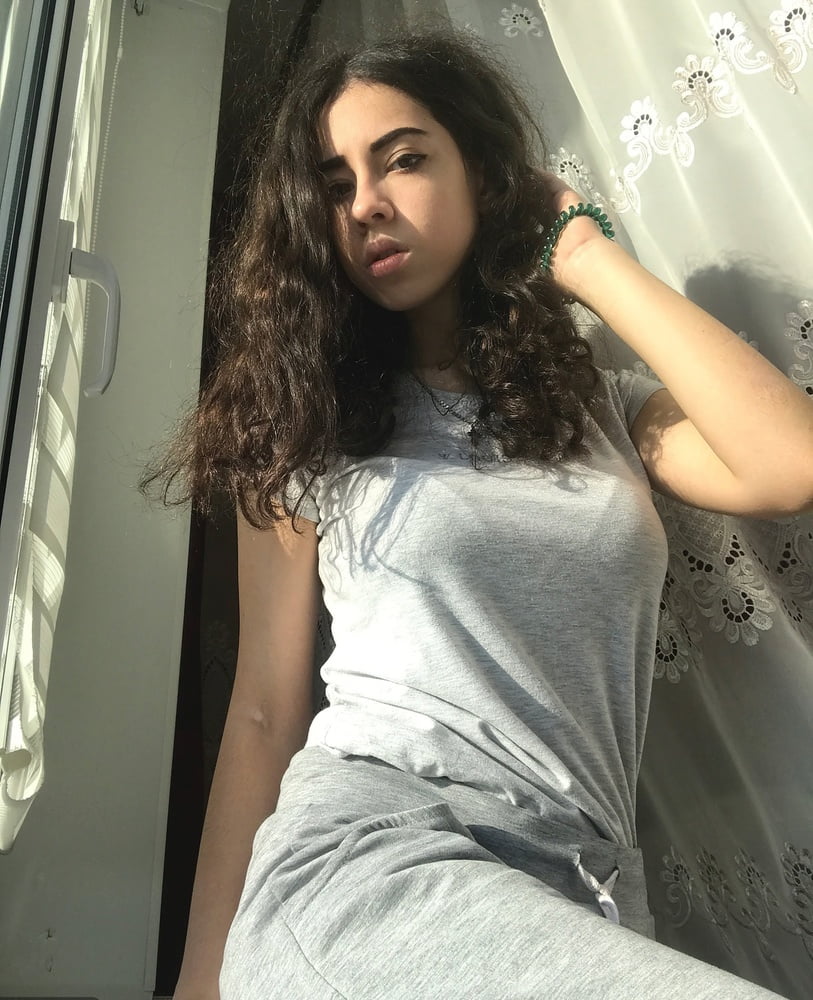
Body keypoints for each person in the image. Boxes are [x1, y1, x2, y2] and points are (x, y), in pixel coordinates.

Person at [152, 23, 813, 1000]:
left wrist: (580, 251)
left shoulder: (601, 410)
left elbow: (788, 464)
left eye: (404, 159)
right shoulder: (309, 432)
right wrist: (200, 982)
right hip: (371, 865)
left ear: (483, 174)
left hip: (580, 889)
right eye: (334, 185)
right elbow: (261, 712)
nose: (367, 204)